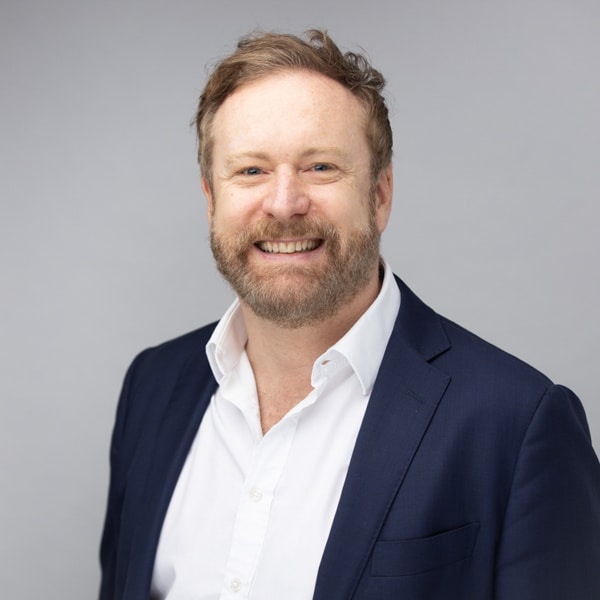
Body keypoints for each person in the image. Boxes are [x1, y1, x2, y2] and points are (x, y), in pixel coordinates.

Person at [99, 29, 600, 600]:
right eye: (251, 171)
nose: (285, 203)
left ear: (381, 194)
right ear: (212, 199)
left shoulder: (515, 423)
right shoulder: (152, 388)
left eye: (320, 167)